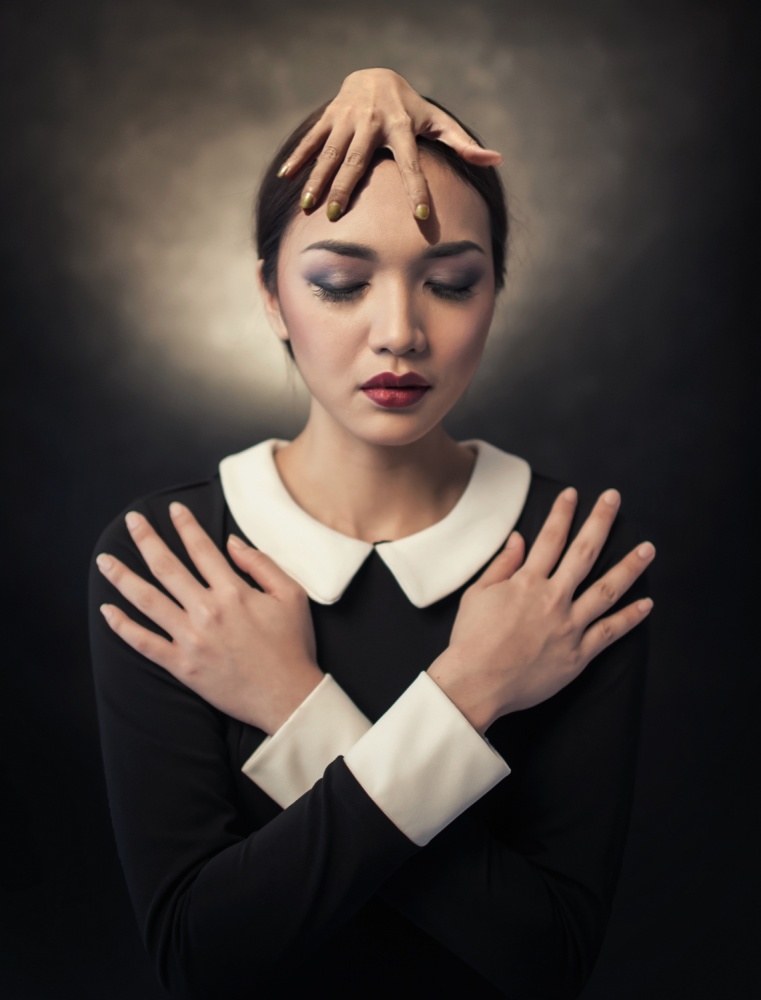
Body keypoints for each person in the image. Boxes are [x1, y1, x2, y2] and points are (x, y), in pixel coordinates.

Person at [89, 69, 654, 999]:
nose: (399, 333)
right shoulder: (172, 555)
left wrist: (297, 711)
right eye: (340, 284)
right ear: (272, 295)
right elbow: (197, 960)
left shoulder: (568, 557)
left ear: (495, 292)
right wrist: (463, 699)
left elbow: (547, 960)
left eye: (451, 283)